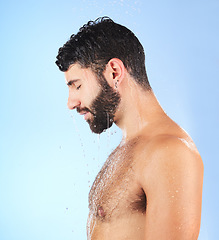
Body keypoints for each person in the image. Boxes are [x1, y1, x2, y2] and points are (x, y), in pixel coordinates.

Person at [56, 17, 203, 240]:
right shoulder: (131, 147)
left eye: (77, 85)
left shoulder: (170, 152)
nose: (71, 102)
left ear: (114, 72)